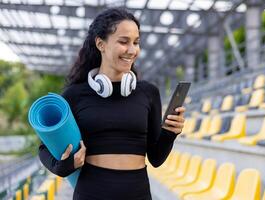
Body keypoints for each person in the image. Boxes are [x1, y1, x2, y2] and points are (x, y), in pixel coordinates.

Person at [38, 8, 186, 200]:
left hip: (138, 193)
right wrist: (62, 166)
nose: (132, 50)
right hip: (91, 193)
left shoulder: (148, 93)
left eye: (136, 42)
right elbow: (44, 148)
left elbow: (156, 158)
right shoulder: (75, 94)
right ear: (101, 44)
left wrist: (170, 132)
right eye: (124, 42)